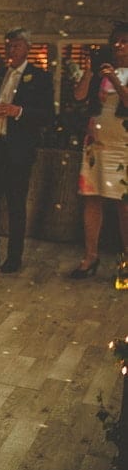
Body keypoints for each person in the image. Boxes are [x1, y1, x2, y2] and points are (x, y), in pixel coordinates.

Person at [0, 28, 54, 273]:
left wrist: (18, 111)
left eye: (15, 45)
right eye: (8, 46)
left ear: (27, 48)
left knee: (15, 203)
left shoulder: (40, 78)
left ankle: (14, 256)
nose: (10, 50)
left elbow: (47, 115)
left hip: (18, 150)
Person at [70, 22, 128, 279]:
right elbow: (79, 96)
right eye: (115, 40)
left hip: (123, 147)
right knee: (92, 198)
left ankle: (126, 262)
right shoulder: (102, 68)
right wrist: (89, 73)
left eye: (124, 41)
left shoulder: (118, 73)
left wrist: (114, 78)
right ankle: (90, 256)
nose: (118, 45)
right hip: (96, 145)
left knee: (124, 204)